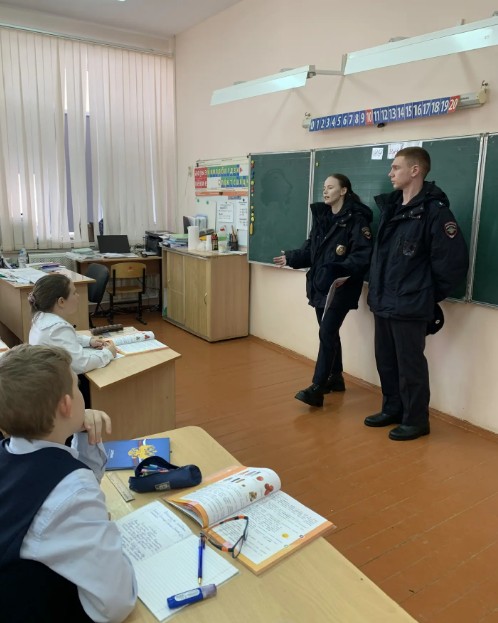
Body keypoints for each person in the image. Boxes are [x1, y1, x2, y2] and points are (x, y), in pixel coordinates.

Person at [0, 344, 137, 622]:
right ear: (66, 405)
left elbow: (69, 478)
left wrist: (83, 434)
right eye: (77, 386)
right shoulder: (72, 492)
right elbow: (116, 603)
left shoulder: (10, 452)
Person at [365, 147, 469, 441]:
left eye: (396, 167)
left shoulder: (435, 213)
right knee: (386, 360)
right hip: (383, 300)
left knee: (410, 366)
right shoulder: (391, 208)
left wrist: (423, 294)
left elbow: (452, 264)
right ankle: (393, 409)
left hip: (410, 305)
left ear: (415, 170)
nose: (390, 173)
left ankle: (416, 420)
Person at [273, 174, 373, 407]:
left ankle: (317, 387)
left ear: (343, 191)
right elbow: (311, 251)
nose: (325, 191)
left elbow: (362, 256)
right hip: (320, 286)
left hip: (341, 288)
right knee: (329, 332)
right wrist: (291, 257)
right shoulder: (323, 218)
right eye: (324, 188)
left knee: (327, 332)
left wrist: (336, 270)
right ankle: (336, 377)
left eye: (330, 187)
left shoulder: (357, 221)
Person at [29, 273, 117, 406]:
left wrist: (89, 341)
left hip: (47, 381)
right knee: (103, 375)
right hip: (59, 392)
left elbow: (68, 337)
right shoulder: (58, 327)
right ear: (61, 301)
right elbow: (81, 364)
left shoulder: (42, 317)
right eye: (74, 293)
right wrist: (108, 353)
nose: (78, 296)